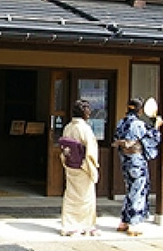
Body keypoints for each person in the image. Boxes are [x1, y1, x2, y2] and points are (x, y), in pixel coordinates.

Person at [112, 97, 163, 236]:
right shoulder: (138, 124)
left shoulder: (120, 122)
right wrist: (156, 126)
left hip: (124, 159)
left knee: (130, 189)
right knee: (138, 190)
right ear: (140, 110)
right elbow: (152, 138)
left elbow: (117, 139)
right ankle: (133, 223)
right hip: (136, 160)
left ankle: (124, 221)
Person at [60, 99, 100, 236]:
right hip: (83, 166)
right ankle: (86, 225)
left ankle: (69, 225)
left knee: (71, 196)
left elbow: (64, 147)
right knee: (86, 197)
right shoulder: (84, 128)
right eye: (88, 111)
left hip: (71, 165)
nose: (89, 113)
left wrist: (66, 160)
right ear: (84, 113)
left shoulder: (68, 127)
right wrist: (92, 166)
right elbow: (91, 151)